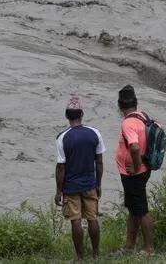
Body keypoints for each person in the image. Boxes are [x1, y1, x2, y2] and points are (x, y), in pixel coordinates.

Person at [54, 95, 104, 260]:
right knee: (92, 218)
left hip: (71, 186)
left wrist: (58, 191)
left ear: (67, 116)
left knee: (75, 220)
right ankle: (96, 255)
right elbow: (99, 162)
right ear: (81, 114)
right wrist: (98, 184)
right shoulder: (95, 133)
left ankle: (80, 258)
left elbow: (61, 167)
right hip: (90, 184)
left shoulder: (62, 137)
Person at [115, 85, 154, 255]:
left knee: (141, 210)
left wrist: (136, 167)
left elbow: (135, 147)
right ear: (135, 104)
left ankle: (149, 248)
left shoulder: (128, 123)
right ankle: (129, 246)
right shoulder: (143, 116)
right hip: (144, 168)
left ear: (120, 106)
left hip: (134, 173)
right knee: (133, 209)